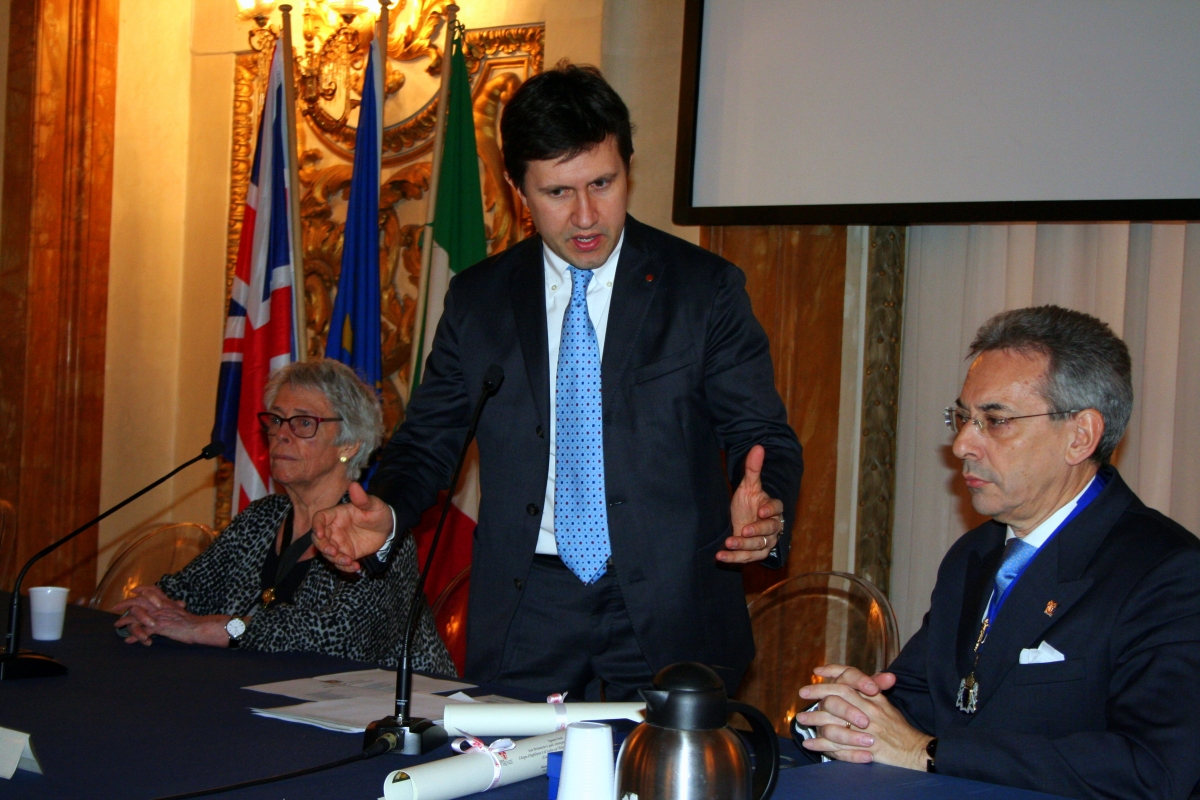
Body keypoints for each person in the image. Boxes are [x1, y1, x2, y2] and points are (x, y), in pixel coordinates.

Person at [310, 63, 804, 699]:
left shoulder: (703, 291)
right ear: (519, 190)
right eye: (558, 193)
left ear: (629, 168)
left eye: (603, 182)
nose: (586, 215)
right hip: (528, 611)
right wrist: (391, 509)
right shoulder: (479, 300)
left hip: (670, 605)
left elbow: (764, 436)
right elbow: (429, 441)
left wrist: (766, 508)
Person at [792, 306, 1200, 799]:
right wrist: (848, 715)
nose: (962, 443)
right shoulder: (976, 553)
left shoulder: (1169, 571)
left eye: (995, 421)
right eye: (963, 417)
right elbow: (920, 702)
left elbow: (1151, 768)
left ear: (1080, 436)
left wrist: (929, 752)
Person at [113, 359, 454, 675]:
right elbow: (183, 591)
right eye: (276, 420)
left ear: (349, 445)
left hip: (385, 720)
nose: (282, 434)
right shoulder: (262, 518)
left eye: (304, 423)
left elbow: (334, 639)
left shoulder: (375, 533)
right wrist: (149, 609)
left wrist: (210, 628)